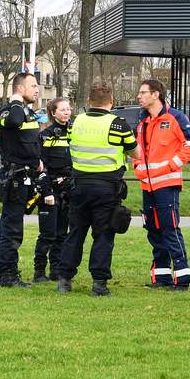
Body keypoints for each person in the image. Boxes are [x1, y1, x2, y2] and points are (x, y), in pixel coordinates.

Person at [55, 83, 136, 296]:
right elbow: (134, 152)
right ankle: (99, 284)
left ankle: (64, 279)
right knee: (103, 234)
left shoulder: (76, 122)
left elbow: (72, 144)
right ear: (112, 102)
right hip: (107, 187)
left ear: (89, 101)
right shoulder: (118, 124)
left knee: (76, 233)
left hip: (79, 185)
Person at [133, 78, 190, 291]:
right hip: (147, 186)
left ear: (156, 95)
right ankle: (161, 277)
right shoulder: (142, 122)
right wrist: (138, 168)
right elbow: (137, 151)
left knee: (170, 229)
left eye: (143, 92)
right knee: (153, 230)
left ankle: (182, 278)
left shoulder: (175, 117)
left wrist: (171, 165)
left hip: (166, 185)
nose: (139, 96)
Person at [0, 72, 43, 287]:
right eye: (33, 85)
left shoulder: (27, 113)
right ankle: (7, 275)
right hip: (14, 178)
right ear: (20, 89)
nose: (37, 89)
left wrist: (38, 162)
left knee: (11, 226)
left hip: (26, 177)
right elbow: (13, 121)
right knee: (11, 228)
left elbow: (29, 142)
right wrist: (15, 102)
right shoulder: (8, 113)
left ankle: (8, 272)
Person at [31, 97, 74, 283]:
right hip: (50, 189)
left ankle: (56, 270)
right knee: (48, 233)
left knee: (62, 234)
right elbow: (41, 167)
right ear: (53, 112)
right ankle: (39, 271)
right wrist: (46, 192)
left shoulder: (75, 133)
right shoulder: (46, 135)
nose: (67, 112)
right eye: (63, 109)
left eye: (68, 109)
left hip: (68, 190)